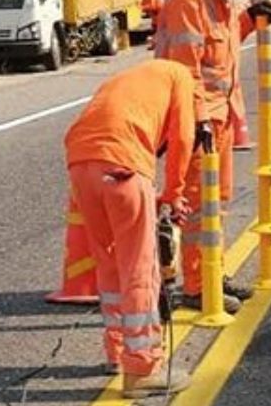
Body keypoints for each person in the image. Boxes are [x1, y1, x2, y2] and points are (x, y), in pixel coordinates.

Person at [153, 0, 271, 313]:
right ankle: (196, 286)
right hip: (195, 123)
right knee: (196, 206)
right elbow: (184, 70)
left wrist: (249, 20)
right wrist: (201, 122)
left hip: (218, 121)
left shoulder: (224, 0)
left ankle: (212, 271)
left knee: (217, 203)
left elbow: (218, 54)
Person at [64, 59, 198, 399]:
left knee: (107, 260)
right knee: (140, 267)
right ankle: (142, 368)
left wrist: (151, 195)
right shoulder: (181, 76)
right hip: (123, 161)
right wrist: (175, 193)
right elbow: (182, 137)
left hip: (81, 162)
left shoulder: (133, 78)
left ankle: (117, 352)